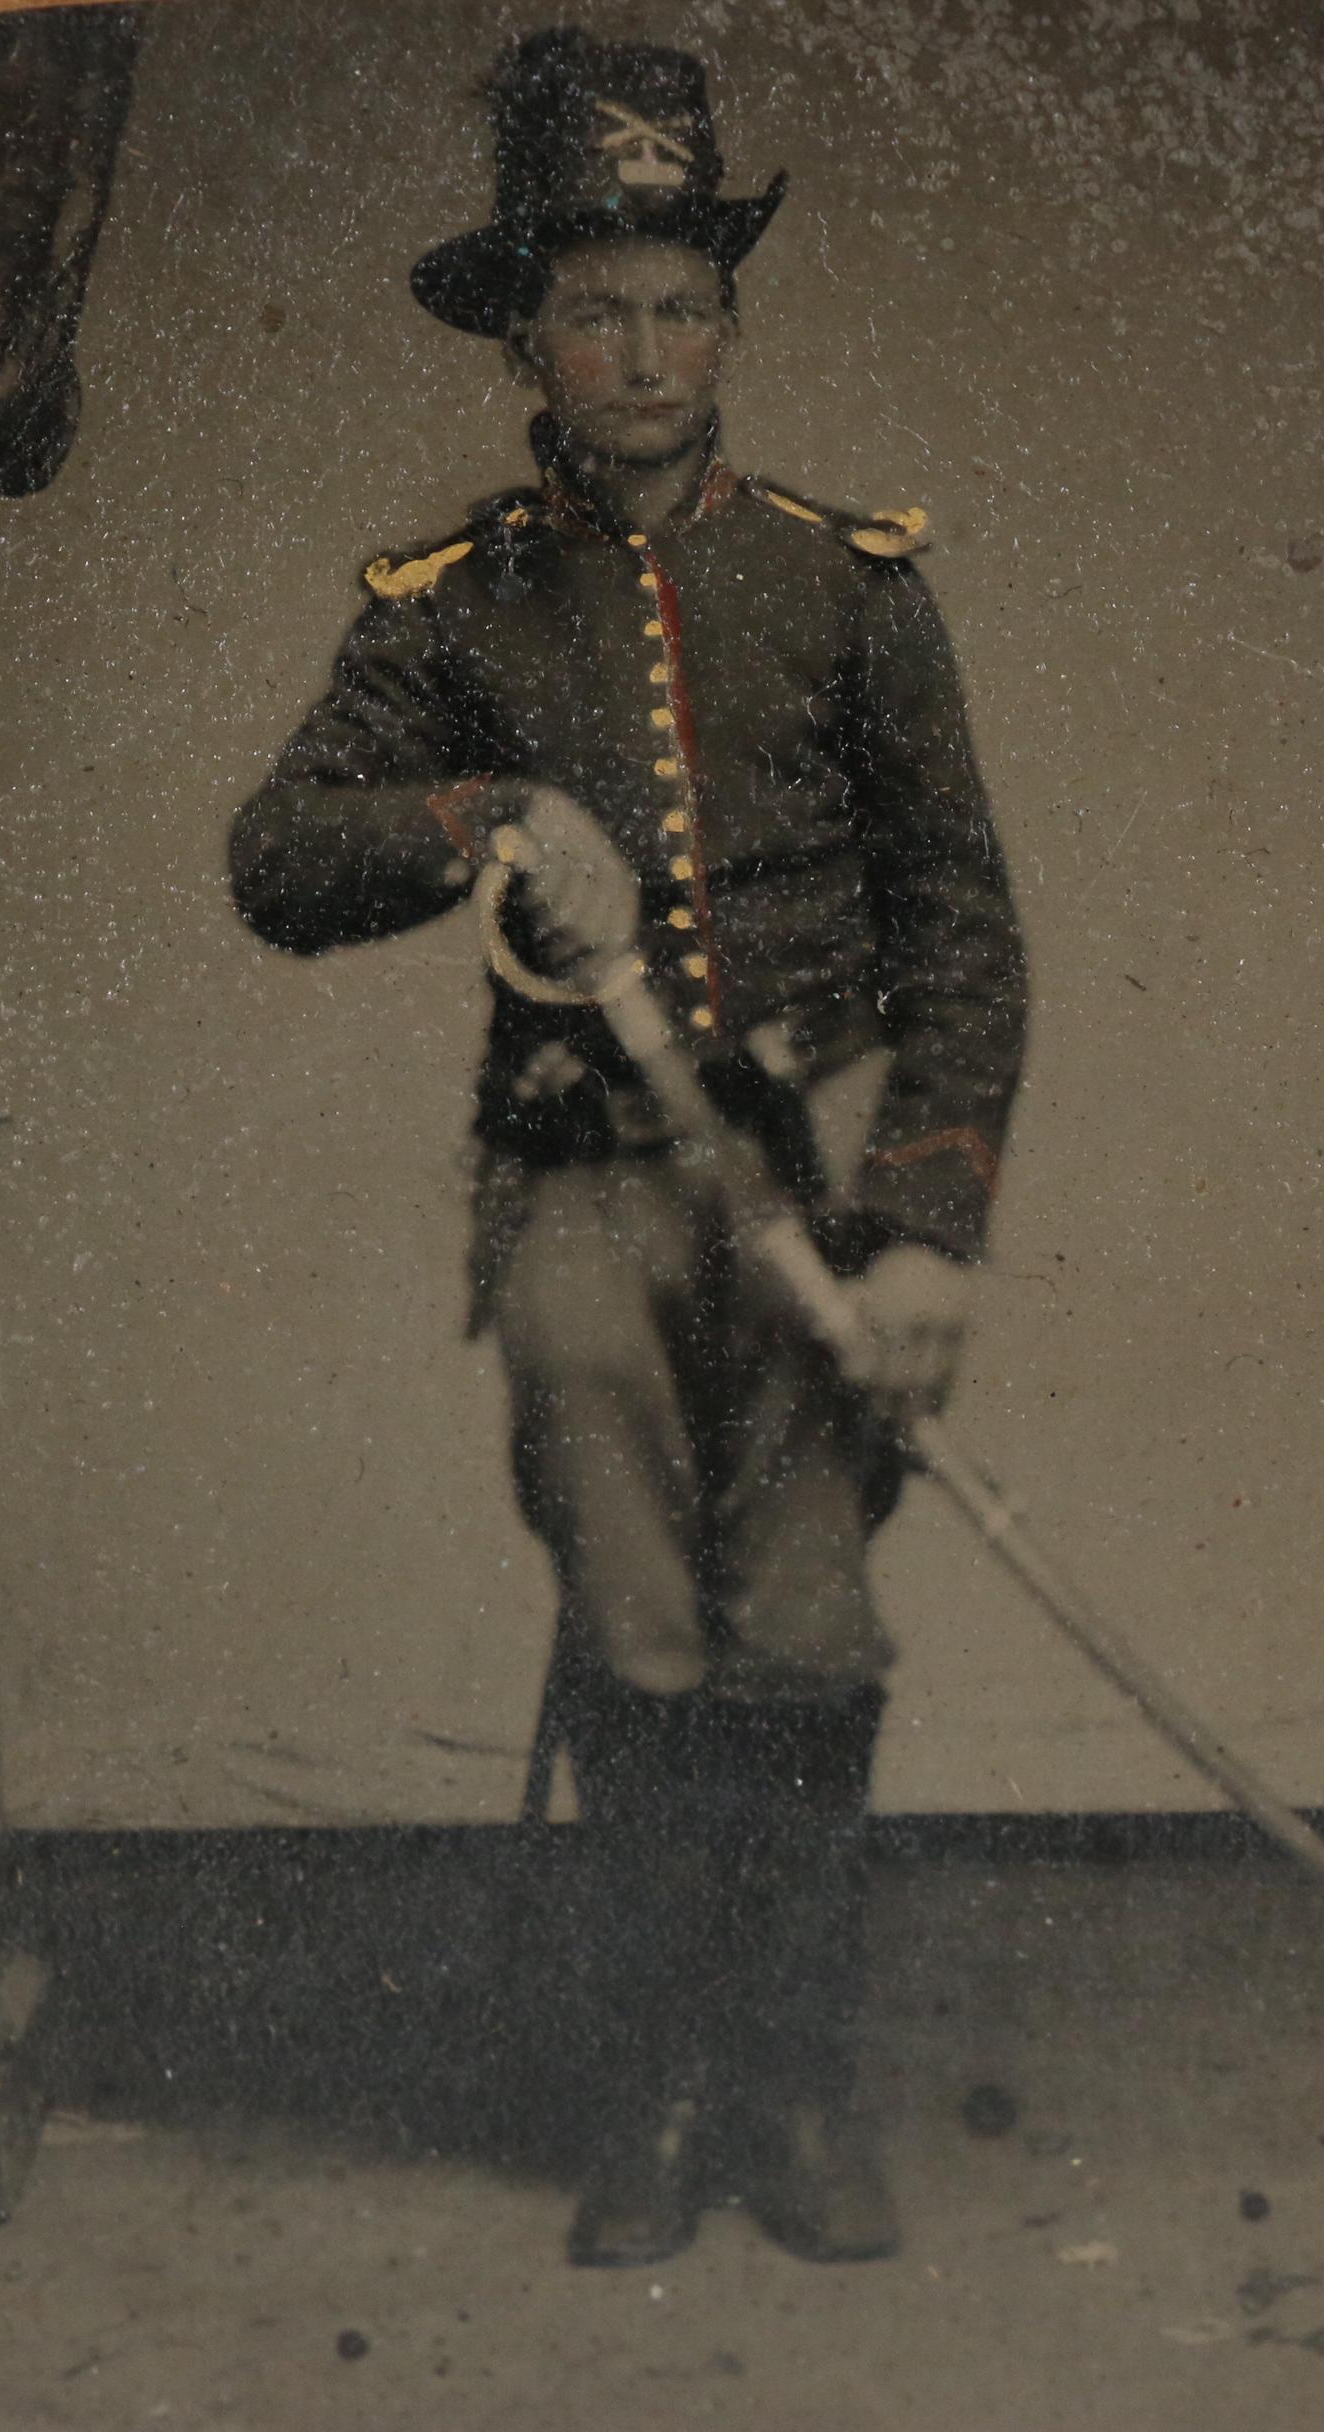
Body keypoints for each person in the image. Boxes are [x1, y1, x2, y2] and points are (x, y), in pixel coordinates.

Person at [230, 25, 1027, 2268]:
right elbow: (275, 854)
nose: (645, 349)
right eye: (596, 305)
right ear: (526, 332)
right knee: (640, 1625)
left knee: (799, 1614)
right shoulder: (457, 602)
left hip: (820, 1187)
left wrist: (934, 1237)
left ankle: (791, 2083)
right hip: (577, 1185)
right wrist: (488, 815)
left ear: (730, 325)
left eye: (683, 301)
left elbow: (966, 929)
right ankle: (662, 2088)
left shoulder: (849, 586)